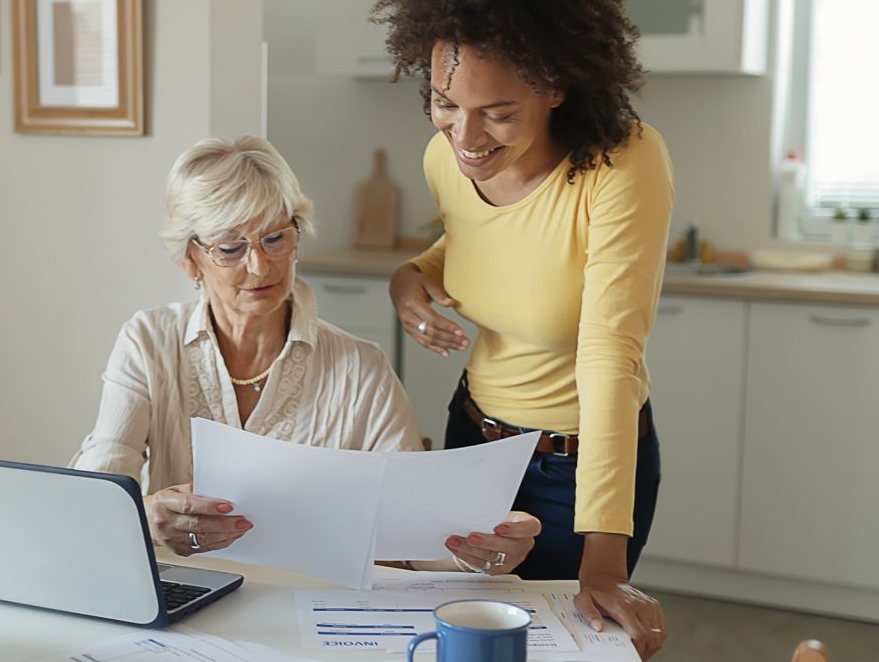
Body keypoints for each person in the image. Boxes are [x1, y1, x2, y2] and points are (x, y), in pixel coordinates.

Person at [374, 0, 673, 657]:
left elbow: (609, 353)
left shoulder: (621, 165)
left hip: (575, 468)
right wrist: (408, 277)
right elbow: (471, 244)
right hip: (473, 441)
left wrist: (603, 559)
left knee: (553, 648)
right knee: (459, 640)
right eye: (445, 103)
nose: (466, 135)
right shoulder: (445, 160)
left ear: (555, 86)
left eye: (499, 113)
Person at [70, 135, 538, 574]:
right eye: (230, 248)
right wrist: (148, 515)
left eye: (276, 238)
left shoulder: (362, 370)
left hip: (313, 612)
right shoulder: (150, 341)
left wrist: (484, 552)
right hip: (186, 599)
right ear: (190, 261)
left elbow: (417, 539)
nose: (260, 265)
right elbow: (95, 494)